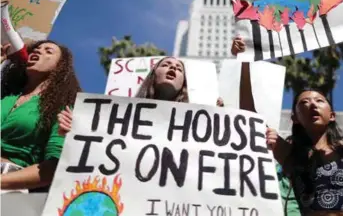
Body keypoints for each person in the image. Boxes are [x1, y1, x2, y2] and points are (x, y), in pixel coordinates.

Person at [58, 37, 256, 135]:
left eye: (179, 68)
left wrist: (220, 120)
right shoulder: (120, 117)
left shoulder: (199, 120)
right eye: (166, 65)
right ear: (152, 76)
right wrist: (77, 130)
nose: (173, 68)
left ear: (184, 84)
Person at [0, 40, 81, 191]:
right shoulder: (6, 96)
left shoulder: (62, 107)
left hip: (9, 187)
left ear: (60, 67)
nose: (38, 51)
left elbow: (53, 167)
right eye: (36, 49)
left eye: (48, 51)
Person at [266, 89, 343, 215]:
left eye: (319, 101)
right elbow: (252, 116)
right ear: (294, 118)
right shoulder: (292, 155)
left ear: (332, 116)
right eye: (304, 102)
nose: (313, 104)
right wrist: (224, 110)